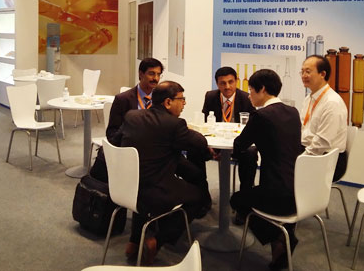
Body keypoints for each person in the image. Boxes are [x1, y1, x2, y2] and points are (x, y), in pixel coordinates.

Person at [112, 81, 211, 264]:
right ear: (168, 102)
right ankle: (157, 240)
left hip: (124, 188)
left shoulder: (132, 116)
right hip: (153, 191)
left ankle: (134, 242)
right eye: (181, 99)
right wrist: (189, 130)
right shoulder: (175, 125)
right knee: (199, 197)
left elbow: (116, 142)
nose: (184, 103)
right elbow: (200, 143)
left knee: (184, 174)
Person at [230, 69, 304, 270]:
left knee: (236, 200)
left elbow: (240, 145)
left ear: (262, 89)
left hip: (276, 193)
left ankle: (280, 237)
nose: (249, 96)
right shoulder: (293, 112)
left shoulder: (261, 115)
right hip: (298, 190)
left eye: (251, 91)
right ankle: (280, 245)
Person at [202, 66, 256, 223]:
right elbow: (206, 123)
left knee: (251, 154)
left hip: (238, 144)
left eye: (231, 82)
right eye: (222, 83)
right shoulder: (210, 96)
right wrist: (209, 146)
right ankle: (202, 198)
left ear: (236, 81)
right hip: (215, 142)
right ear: (217, 84)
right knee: (194, 151)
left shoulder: (246, 98)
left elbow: (251, 129)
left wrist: (237, 146)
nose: (227, 87)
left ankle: (243, 206)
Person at [300, 55, 348, 181]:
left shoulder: (332, 103)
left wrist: (301, 159)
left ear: (322, 74)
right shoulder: (309, 99)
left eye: (308, 72)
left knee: (284, 168)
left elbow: (322, 142)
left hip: (327, 159)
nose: (304, 75)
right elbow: (303, 128)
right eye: (302, 71)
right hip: (311, 149)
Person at [107, 57, 164, 141]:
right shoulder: (122, 99)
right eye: (151, 74)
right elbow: (112, 133)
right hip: (131, 144)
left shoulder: (162, 98)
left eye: (158, 74)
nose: (156, 78)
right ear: (141, 74)